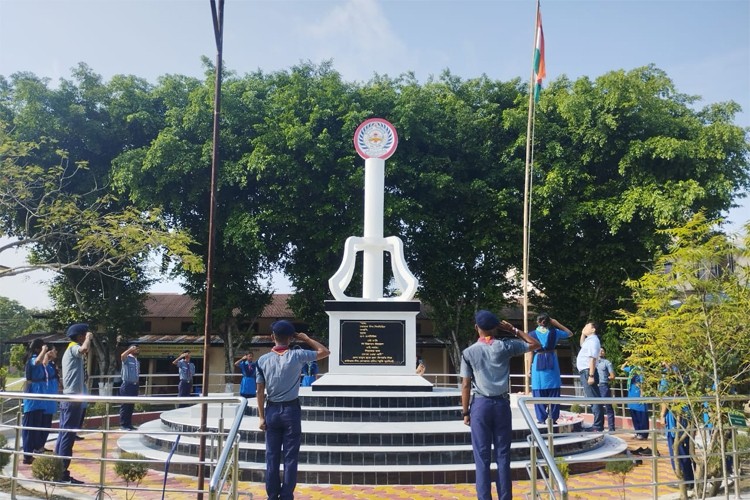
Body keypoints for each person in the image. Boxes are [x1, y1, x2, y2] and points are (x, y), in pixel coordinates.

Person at [461, 310, 541, 500]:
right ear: (496, 328)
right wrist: (513, 329)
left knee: (482, 458)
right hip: (501, 405)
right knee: (503, 456)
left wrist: (465, 412)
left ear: (476, 328)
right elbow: (535, 344)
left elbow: (465, 384)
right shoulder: (505, 347)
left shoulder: (469, 352)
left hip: (480, 405)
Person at [256, 320, 330, 500]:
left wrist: (261, 417)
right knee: (290, 457)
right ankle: (287, 495)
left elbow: (259, 391)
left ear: (272, 337)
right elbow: (325, 352)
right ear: (290, 338)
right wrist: (306, 338)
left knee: (271, 456)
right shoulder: (297, 355)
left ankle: (272, 496)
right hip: (291, 410)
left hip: (271, 410)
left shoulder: (263, 360)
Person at [54, 323, 93, 484]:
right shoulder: (73, 348)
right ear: (79, 337)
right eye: (85, 335)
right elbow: (84, 350)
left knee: (64, 434)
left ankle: (57, 470)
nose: (87, 337)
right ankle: (62, 473)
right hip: (72, 399)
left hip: (70, 398)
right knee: (67, 436)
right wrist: (89, 339)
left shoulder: (71, 349)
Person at [529, 313, 573, 424]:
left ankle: (541, 419)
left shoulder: (531, 334)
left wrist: (529, 368)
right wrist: (557, 323)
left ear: (538, 322)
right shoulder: (555, 332)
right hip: (552, 361)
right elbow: (570, 333)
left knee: (538, 390)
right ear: (549, 321)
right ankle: (553, 418)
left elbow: (530, 352)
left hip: (538, 361)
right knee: (554, 389)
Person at [22, 339, 47, 464]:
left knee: (36, 426)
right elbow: (36, 362)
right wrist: (44, 350)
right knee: (29, 427)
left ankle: (32, 451)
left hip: (39, 395)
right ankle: (27, 455)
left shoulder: (39, 358)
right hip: (33, 396)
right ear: (37, 349)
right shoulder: (32, 358)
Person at [576, 322, 603, 431]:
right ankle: (597, 425)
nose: (584, 327)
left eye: (587, 326)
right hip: (586, 371)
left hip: (588, 372)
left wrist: (591, 375)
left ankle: (597, 426)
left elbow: (592, 359)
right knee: (593, 398)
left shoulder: (594, 341)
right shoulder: (589, 340)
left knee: (594, 399)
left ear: (593, 330)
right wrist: (583, 333)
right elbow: (582, 343)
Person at [38, 344, 59, 453]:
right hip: (47, 395)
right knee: (44, 422)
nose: (56, 353)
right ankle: (39, 445)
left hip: (52, 396)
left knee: (47, 423)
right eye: (54, 351)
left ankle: (42, 444)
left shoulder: (52, 364)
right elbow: (43, 365)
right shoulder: (46, 364)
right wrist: (45, 354)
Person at [622, 364, 649, 440]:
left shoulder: (640, 369)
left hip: (638, 393)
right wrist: (627, 362)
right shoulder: (632, 368)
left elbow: (642, 383)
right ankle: (638, 432)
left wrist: (642, 394)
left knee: (641, 414)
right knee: (634, 413)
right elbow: (622, 368)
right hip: (631, 393)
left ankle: (643, 434)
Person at [119, 344, 140, 431]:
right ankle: (123, 425)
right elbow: (122, 356)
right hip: (127, 385)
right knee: (125, 406)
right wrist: (130, 349)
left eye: (138, 349)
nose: (137, 350)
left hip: (134, 385)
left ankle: (129, 424)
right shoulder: (127, 358)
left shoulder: (136, 361)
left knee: (131, 405)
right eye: (135, 348)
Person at [596, 348, 616, 431]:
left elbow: (612, 376)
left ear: (604, 353)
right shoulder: (593, 362)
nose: (601, 352)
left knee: (608, 407)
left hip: (604, 386)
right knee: (597, 407)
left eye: (603, 351)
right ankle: (599, 427)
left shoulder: (607, 363)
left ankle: (611, 428)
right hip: (595, 386)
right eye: (599, 350)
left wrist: (605, 378)